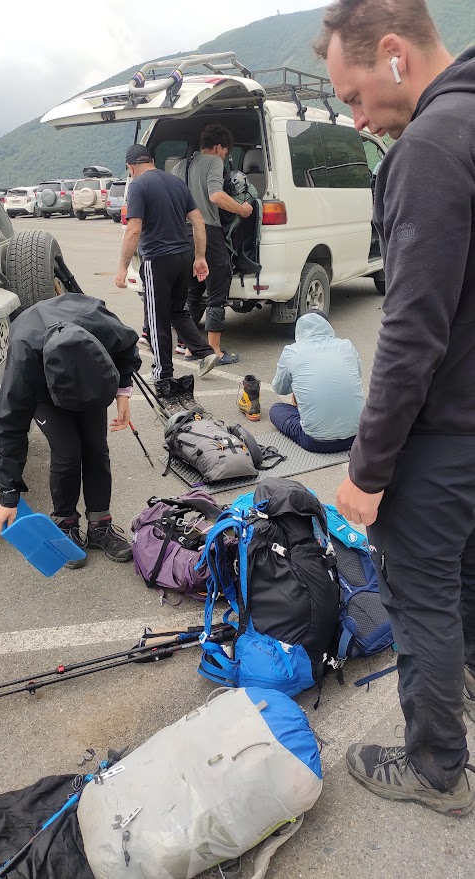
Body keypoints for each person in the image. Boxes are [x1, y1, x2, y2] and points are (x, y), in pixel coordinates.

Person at [314, 0, 475, 816]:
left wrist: (368, 470)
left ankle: (437, 767)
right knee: (467, 576)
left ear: (394, 54)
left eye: (353, 95)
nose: (355, 117)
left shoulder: (431, 149)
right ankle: (463, 682)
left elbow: (412, 332)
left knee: (421, 597)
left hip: (444, 431)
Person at [0, 287, 142, 566]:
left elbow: (126, 348)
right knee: (68, 453)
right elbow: (8, 426)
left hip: (90, 377)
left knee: (96, 449)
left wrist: (123, 392)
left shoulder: (100, 325)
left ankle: (100, 526)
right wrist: (8, 495)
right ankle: (65, 524)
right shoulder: (25, 357)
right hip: (46, 390)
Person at [115, 143, 219, 413]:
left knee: (157, 317)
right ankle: (206, 352)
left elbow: (133, 229)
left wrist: (123, 267)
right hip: (183, 256)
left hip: (157, 259)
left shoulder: (138, 186)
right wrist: (200, 257)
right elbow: (198, 221)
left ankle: (162, 373)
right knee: (176, 311)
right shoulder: (175, 182)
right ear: (151, 160)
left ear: (130, 166)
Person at [171, 124, 253, 366]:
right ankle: (215, 350)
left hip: (181, 233)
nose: (225, 157)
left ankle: (189, 347)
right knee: (217, 289)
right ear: (218, 147)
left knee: (192, 291)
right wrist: (241, 209)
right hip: (207, 231)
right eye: (225, 152)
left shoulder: (178, 166)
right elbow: (216, 195)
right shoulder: (214, 162)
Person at [270, 311, 364, 451]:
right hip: (357, 436)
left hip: (316, 442)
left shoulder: (291, 351)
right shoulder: (346, 346)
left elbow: (279, 389)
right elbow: (357, 375)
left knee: (276, 410)